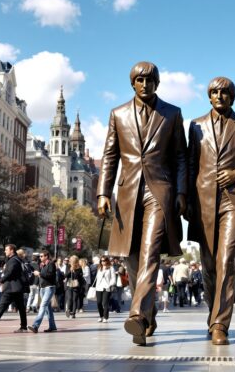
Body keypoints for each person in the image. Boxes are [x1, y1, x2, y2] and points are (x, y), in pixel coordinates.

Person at [97, 61, 188, 346]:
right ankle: (147, 313)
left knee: (150, 252)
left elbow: (181, 157)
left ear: (157, 83)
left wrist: (181, 192)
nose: (145, 84)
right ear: (132, 83)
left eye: (150, 80)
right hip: (127, 193)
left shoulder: (172, 114)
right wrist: (102, 192)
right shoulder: (118, 114)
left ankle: (136, 315)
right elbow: (110, 156)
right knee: (132, 257)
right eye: (140, 80)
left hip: (159, 191)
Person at [186, 76, 235, 344]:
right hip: (203, 201)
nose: (220, 96)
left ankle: (220, 324)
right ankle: (213, 313)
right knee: (208, 266)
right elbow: (191, 165)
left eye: (225, 92)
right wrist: (187, 199)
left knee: (227, 259)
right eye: (215, 92)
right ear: (208, 96)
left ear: (233, 96)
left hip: (232, 200)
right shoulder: (195, 126)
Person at [29, 250, 58, 333]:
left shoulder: (51, 264)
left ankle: (35, 326)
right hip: (42, 288)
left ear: (46, 256)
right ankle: (52, 326)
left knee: (43, 305)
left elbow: (50, 275)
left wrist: (39, 274)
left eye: (42, 256)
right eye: (40, 256)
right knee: (48, 309)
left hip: (49, 287)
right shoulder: (42, 265)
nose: (40, 258)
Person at [94, 257, 116, 323]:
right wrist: (96, 287)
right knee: (98, 303)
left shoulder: (111, 268)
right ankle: (101, 316)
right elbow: (97, 278)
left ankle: (105, 317)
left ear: (107, 261)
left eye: (104, 260)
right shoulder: (99, 268)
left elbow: (113, 278)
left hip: (107, 287)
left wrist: (110, 284)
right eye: (101, 260)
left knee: (105, 303)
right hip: (99, 287)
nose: (103, 262)